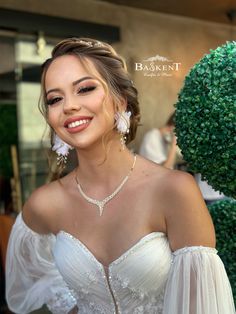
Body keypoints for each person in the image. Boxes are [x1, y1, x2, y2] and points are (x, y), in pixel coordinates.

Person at [5, 38, 235, 314]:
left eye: (85, 89)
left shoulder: (174, 190)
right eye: (55, 98)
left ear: (119, 101)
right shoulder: (45, 203)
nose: (68, 106)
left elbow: (202, 306)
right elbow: (30, 278)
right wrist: (71, 305)